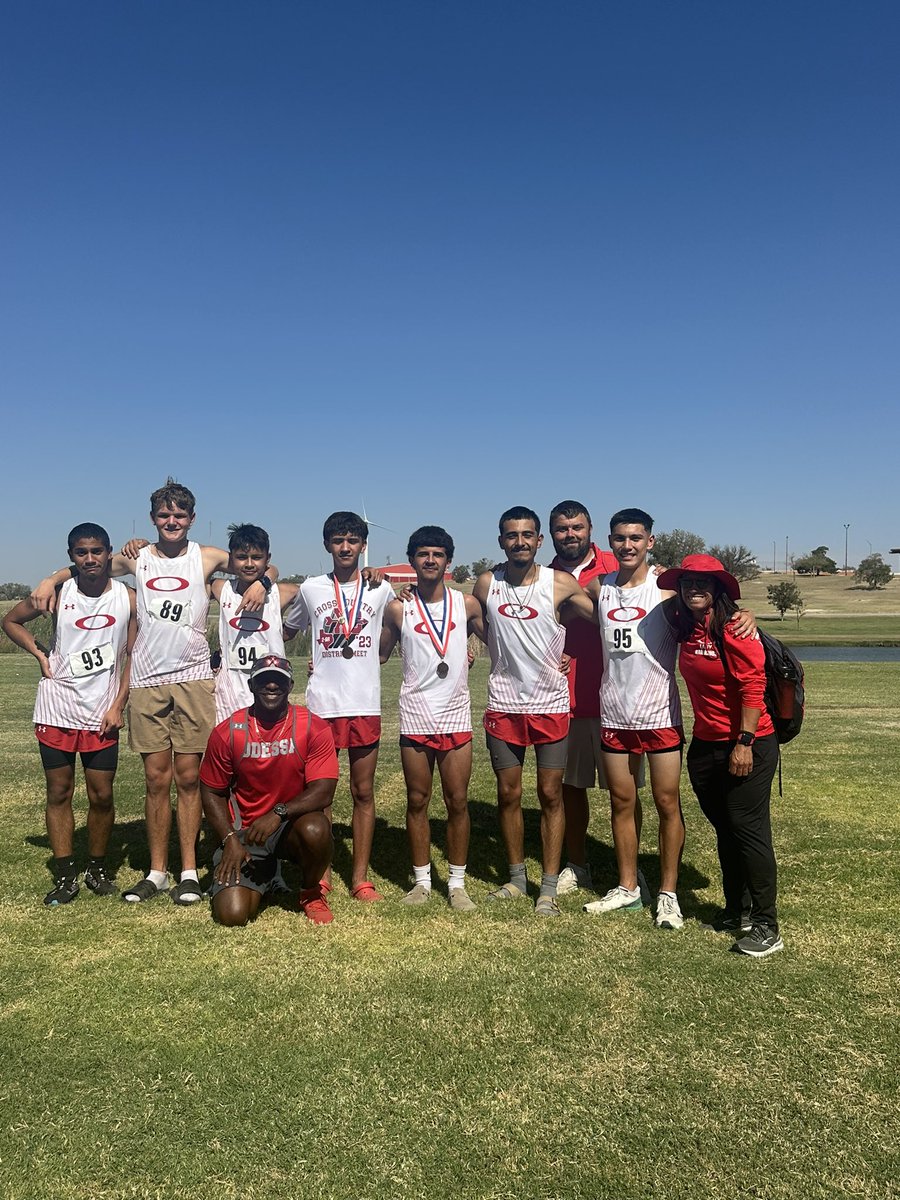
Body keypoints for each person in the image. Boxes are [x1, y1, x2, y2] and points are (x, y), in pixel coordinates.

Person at [29, 478, 278, 905]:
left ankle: (188, 873)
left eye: (180, 515)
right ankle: (157, 872)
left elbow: (259, 566)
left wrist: (265, 582)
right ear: (152, 519)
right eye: (164, 515)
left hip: (194, 679)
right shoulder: (137, 557)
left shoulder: (207, 556)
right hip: (146, 682)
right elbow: (91, 566)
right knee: (155, 779)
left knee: (189, 778)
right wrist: (52, 578)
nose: (172, 521)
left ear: (192, 518)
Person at [582, 509, 753, 931]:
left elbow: (714, 607)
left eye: (636, 538)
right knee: (621, 802)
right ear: (610, 541)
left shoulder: (667, 592)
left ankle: (668, 893)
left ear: (650, 542)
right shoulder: (596, 587)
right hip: (614, 714)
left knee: (666, 803)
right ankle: (627, 887)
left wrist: (746, 615)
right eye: (620, 538)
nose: (628, 545)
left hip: (659, 715)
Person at [3, 524, 136, 905]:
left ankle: (96, 867)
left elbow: (133, 656)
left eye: (97, 551)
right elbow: (10, 621)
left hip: (101, 713)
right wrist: (40, 653)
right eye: (81, 552)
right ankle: (64, 875)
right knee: (59, 791)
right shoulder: (59, 595)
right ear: (71, 556)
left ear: (109, 552)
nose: (90, 559)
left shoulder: (127, 598)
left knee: (102, 795)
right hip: (58, 707)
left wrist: (118, 704)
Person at [473, 506, 596, 917]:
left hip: (550, 704)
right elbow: (473, 619)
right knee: (508, 794)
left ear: (539, 541)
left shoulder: (560, 583)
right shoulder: (487, 583)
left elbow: (605, 617)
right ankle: (515, 878)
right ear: (501, 541)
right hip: (504, 703)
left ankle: (547, 888)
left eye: (528, 535)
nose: (520, 542)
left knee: (549, 795)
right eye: (512, 535)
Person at [658, 555, 783, 957]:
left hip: (749, 742)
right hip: (706, 742)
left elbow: (752, 686)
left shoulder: (735, 628)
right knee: (725, 828)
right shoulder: (686, 624)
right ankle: (737, 909)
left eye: (704, 583)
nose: (695, 588)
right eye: (688, 582)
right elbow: (654, 601)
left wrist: (744, 743)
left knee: (749, 829)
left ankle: (767, 925)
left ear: (719, 590)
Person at [283, 512, 391, 901]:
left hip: (364, 703)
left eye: (352, 540)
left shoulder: (382, 588)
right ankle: (322, 873)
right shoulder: (311, 589)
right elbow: (286, 631)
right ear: (327, 545)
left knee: (363, 792)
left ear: (363, 545)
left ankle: (361, 878)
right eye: (337, 540)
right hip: (322, 706)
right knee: (321, 794)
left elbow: (401, 626)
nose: (345, 547)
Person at [379, 526, 485, 910]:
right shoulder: (398, 608)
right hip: (416, 715)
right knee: (417, 800)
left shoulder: (467, 604)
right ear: (413, 560)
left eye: (437, 554)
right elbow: (380, 653)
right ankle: (422, 881)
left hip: (456, 716)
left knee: (457, 801)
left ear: (448, 561)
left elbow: (501, 641)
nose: (430, 560)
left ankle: (456, 884)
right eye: (423, 554)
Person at [199, 655, 338, 926]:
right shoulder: (227, 732)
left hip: (289, 827)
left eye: (279, 681)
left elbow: (323, 791)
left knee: (317, 829)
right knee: (232, 915)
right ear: (251, 685)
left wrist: (279, 813)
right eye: (263, 680)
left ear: (290, 686)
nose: (271, 686)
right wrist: (230, 839)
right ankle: (267, 875)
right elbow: (211, 791)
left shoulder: (313, 726)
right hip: (246, 834)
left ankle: (310, 892)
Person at [548, 500, 628, 896]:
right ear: (552, 534)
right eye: (562, 529)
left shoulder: (621, 563)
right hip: (567, 699)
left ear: (591, 528)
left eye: (577, 527)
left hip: (621, 700)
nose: (570, 535)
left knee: (623, 793)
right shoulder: (542, 576)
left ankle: (628, 872)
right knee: (571, 789)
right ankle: (577, 865)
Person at [210, 523, 299, 723]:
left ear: (268, 559)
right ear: (231, 560)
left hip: (271, 689)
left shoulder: (284, 593)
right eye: (241, 557)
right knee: (232, 748)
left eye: (257, 558)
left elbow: (322, 595)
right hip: (229, 691)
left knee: (270, 751)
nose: (249, 564)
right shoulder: (219, 588)